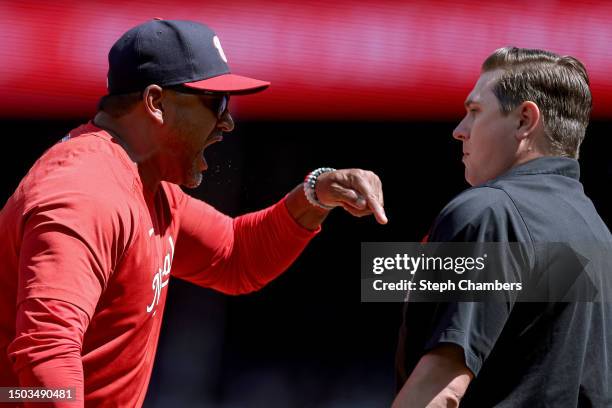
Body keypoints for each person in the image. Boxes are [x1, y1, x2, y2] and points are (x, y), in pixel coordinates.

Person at [0, 19, 387, 406]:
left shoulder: (146, 180)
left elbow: (236, 256)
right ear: (155, 102)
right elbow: (46, 354)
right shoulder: (84, 196)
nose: (227, 122)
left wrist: (315, 195)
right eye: (214, 103)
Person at [394, 47, 612, 407]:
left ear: (525, 120)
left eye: (475, 112)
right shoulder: (595, 228)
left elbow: (440, 389)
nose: (459, 130)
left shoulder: (490, 212)